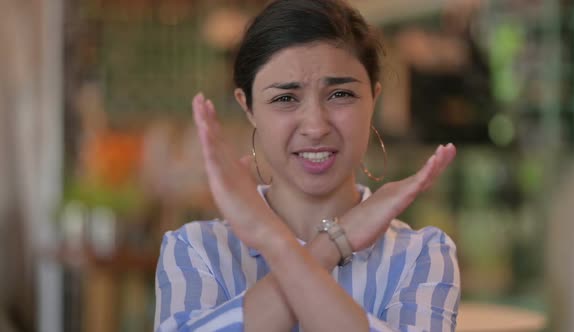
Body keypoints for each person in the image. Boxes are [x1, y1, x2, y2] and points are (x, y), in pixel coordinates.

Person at [154, 0, 459, 331]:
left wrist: (272, 241)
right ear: (249, 107)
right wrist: (331, 244)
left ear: (374, 97)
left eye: (340, 94)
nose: (315, 126)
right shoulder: (197, 248)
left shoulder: (421, 253)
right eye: (285, 99)